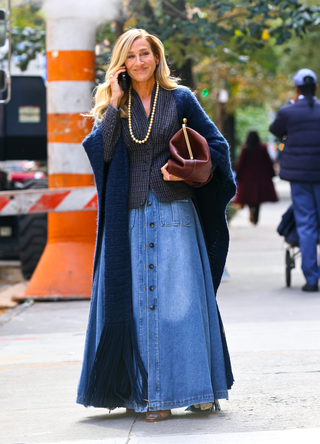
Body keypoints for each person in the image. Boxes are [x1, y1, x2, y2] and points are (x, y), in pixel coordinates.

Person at [76, 29, 236, 422]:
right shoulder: (117, 106)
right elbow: (104, 153)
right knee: (138, 306)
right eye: (131, 57)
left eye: (145, 53)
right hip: (129, 217)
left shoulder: (181, 98)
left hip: (176, 214)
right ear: (121, 65)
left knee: (181, 307)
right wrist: (114, 103)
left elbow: (217, 147)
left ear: (156, 57)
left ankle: (194, 389)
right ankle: (151, 396)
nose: (140, 62)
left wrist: (181, 170)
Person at [269, 68, 320, 292]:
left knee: (306, 224)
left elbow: (275, 130)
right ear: (315, 88)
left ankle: (311, 279)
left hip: (299, 176)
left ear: (297, 88)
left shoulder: (288, 111)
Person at [234, 131, 278, 225]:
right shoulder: (262, 148)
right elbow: (268, 162)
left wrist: (238, 176)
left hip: (247, 178)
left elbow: (240, 164)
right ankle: (256, 217)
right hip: (260, 177)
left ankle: (251, 211)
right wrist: (272, 174)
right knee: (258, 198)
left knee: (250, 197)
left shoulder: (245, 149)